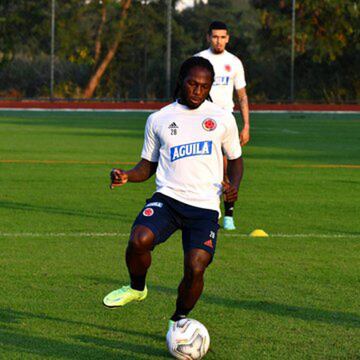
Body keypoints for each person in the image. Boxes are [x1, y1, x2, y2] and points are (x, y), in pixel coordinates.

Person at [103, 57, 243, 328]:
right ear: (181, 81)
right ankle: (136, 288)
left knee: (196, 267)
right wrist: (127, 176)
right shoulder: (159, 119)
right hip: (168, 199)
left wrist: (233, 187)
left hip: (204, 207)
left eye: (204, 86)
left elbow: (236, 159)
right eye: (192, 83)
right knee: (138, 240)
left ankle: (179, 321)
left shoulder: (222, 118)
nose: (197, 91)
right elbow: (148, 165)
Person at [195, 21, 250, 231]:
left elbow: (242, 96)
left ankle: (228, 215)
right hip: (202, 122)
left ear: (228, 38)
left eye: (222, 37)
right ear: (208, 37)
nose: (219, 40)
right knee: (205, 171)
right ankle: (206, 213)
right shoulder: (198, 60)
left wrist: (246, 126)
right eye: (215, 36)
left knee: (226, 170)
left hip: (226, 122)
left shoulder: (234, 62)